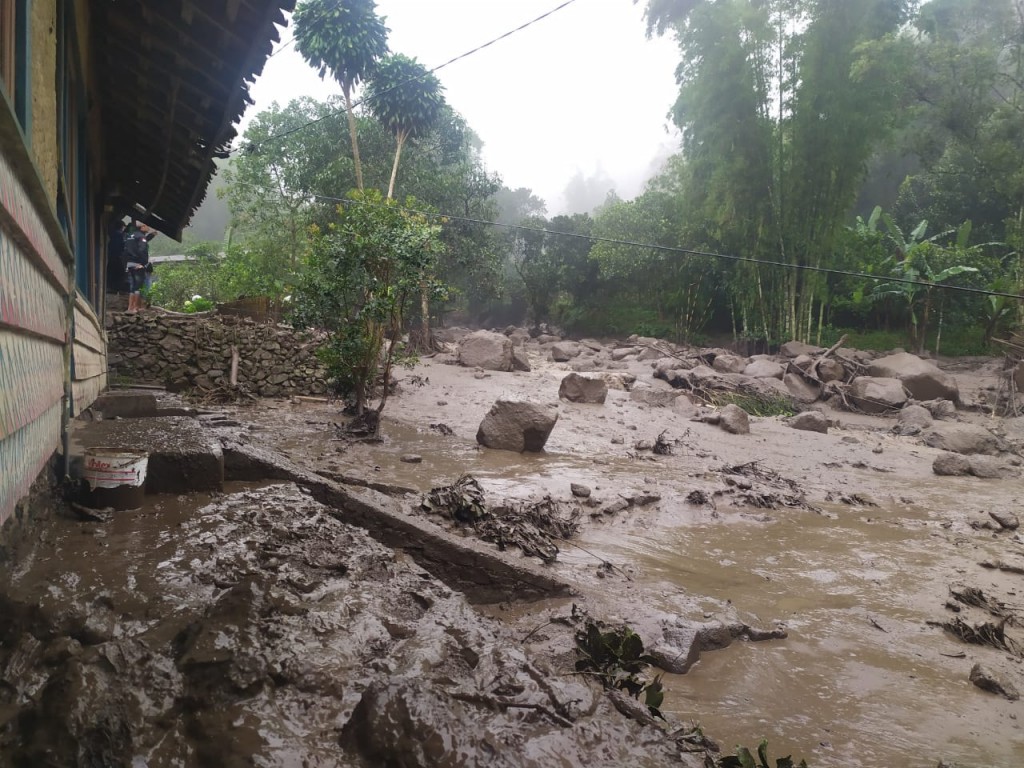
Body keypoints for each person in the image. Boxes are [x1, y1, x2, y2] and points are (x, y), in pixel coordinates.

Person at [124, 221, 157, 313]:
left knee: (132, 286)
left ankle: (129, 308)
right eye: (146, 226)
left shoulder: (130, 236)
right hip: (138, 264)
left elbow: (127, 250)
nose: (148, 228)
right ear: (142, 227)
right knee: (138, 286)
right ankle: (135, 308)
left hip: (129, 263)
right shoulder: (141, 237)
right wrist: (143, 264)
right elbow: (142, 250)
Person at [106, 218, 127, 293]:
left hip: (111, 256)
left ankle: (110, 288)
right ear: (122, 227)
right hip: (116, 256)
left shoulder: (112, 234)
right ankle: (115, 289)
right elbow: (120, 246)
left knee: (111, 272)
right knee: (120, 273)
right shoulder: (119, 235)